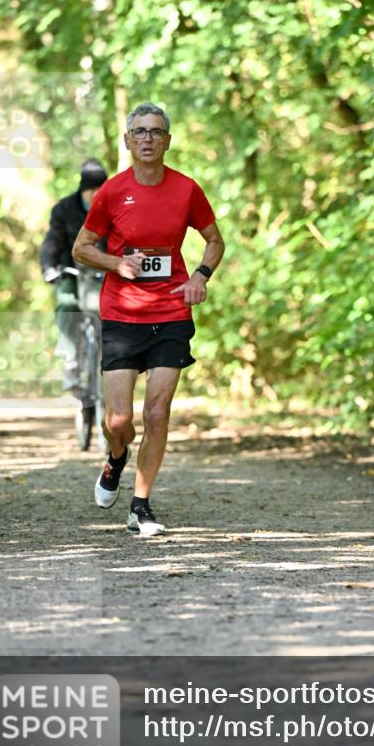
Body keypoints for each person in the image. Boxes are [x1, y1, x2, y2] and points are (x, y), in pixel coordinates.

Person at [72, 103, 225, 536]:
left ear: (167, 141)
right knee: (119, 422)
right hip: (122, 313)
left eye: (156, 132)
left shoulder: (186, 189)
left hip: (171, 311)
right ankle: (115, 456)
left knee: (157, 412)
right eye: (139, 131)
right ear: (127, 140)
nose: (147, 138)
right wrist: (115, 263)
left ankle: (140, 504)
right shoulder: (112, 192)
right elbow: (81, 248)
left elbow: (214, 241)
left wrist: (200, 275)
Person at [40, 159, 108, 390]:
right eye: (92, 190)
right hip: (71, 271)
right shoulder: (64, 208)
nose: (96, 195)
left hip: (104, 272)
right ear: (83, 189)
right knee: (67, 302)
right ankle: (70, 357)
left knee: (114, 309)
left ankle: (118, 359)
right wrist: (49, 266)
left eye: (100, 189)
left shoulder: (112, 207)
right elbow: (53, 241)